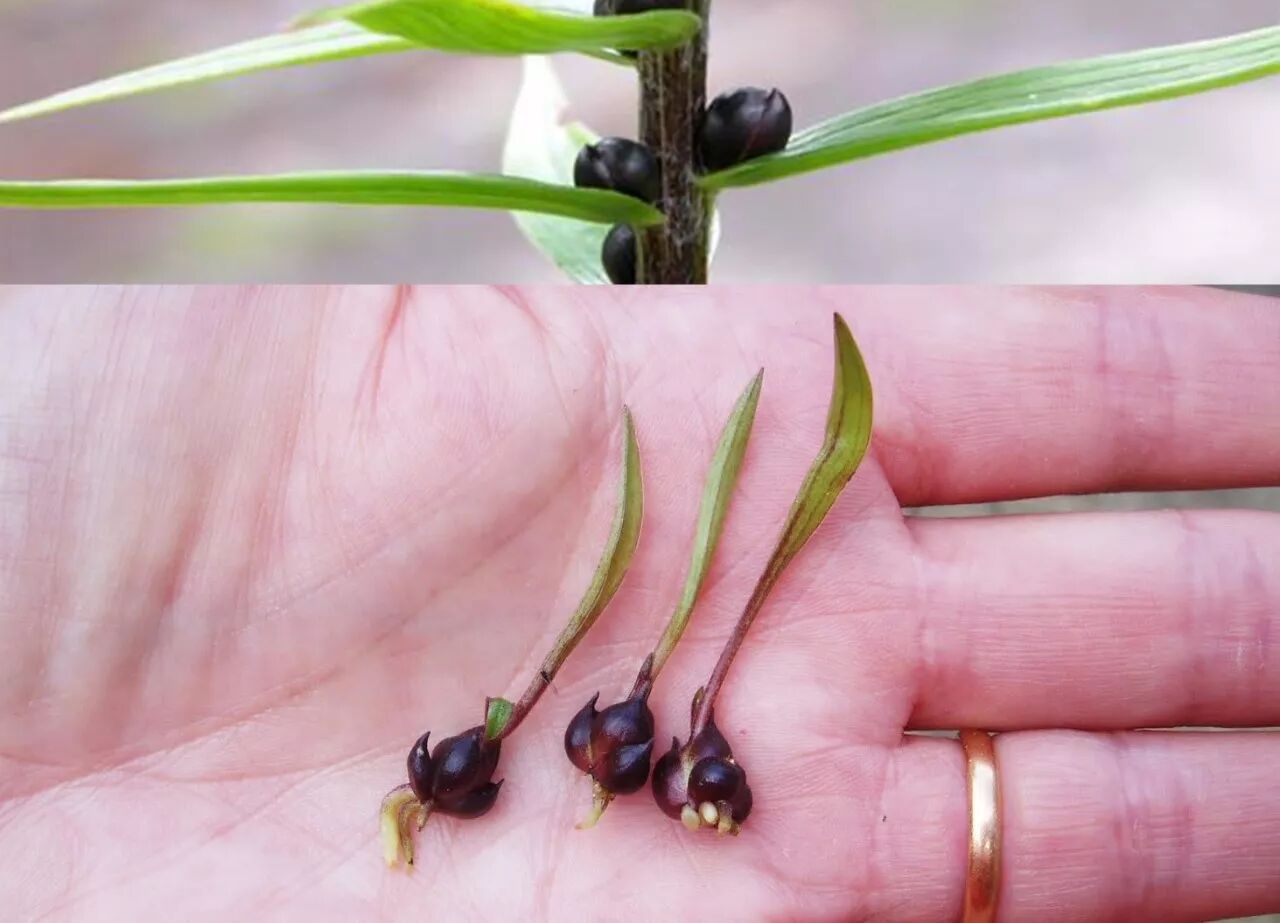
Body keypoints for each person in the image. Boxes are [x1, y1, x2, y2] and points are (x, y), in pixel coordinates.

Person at [0, 284, 1276, 922]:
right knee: (666, 670)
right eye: (681, 783)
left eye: (672, 781)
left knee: (679, 664)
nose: (675, 791)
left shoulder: (583, 748)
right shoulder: (567, 747)